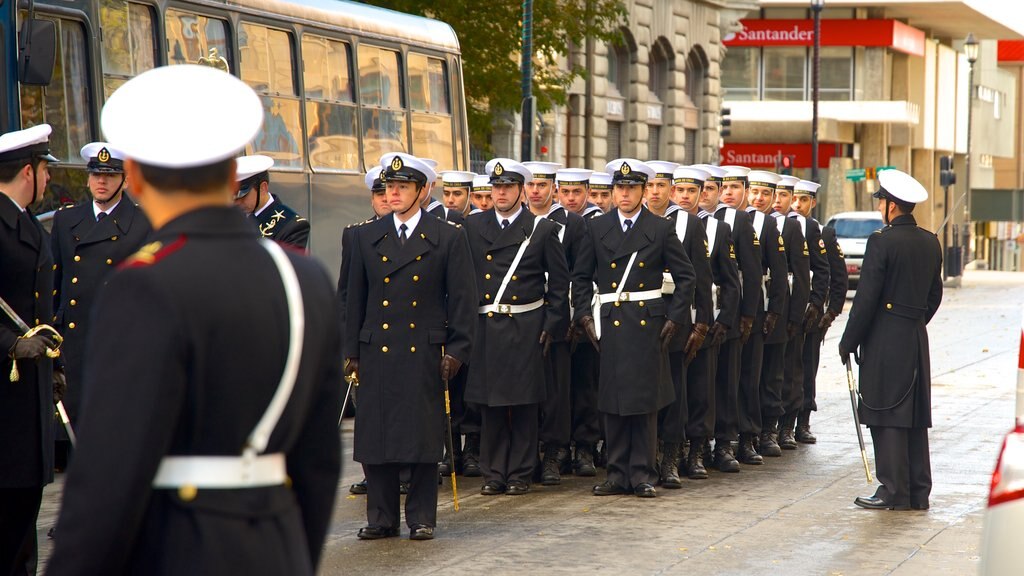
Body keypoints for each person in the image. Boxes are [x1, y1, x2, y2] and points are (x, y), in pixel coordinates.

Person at [46, 64, 343, 575]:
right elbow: (320, 464)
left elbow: (108, 479)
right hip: (277, 550)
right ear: (232, 176)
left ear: (133, 175)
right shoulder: (304, 277)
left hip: (173, 551)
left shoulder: (143, 284)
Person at [344, 152, 476, 540]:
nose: (394, 193)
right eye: (390, 187)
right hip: (377, 349)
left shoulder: (447, 236)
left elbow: (464, 301)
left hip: (424, 350)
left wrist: (457, 350)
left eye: (403, 187)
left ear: (422, 191)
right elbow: (354, 299)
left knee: (421, 438)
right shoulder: (365, 236)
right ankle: (381, 518)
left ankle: (421, 517)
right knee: (377, 437)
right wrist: (351, 351)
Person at [575, 158, 696, 499]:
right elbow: (581, 277)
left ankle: (643, 473)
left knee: (644, 401)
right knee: (612, 400)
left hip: (648, 325)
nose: (624, 194)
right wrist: (583, 315)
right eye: (619, 188)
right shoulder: (597, 228)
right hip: (610, 322)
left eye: (631, 188)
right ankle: (616, 473)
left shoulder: (659, 228)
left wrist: (674, 317)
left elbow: (686, 276)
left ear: (644, 192)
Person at [464, 158, 570, 496]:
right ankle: (493, 471)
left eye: (508, 187)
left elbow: (559, 282)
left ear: (520, 190)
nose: (500, 193)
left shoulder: (540, 229)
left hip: (526, 323)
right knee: (491, 403)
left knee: (524, 403)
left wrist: (552, 324)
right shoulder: (472, 227)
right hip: (488, 323)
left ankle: (521, 472)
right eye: (496, 187)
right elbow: (463, 280)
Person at [840, 169, 941, 511]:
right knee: (912, 415)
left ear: (892, 206)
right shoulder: (930, 241)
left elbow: (866, 298)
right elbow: (934, 296)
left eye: (881, 200)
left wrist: (848, 341)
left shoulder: (881, 241)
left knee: (886, 412)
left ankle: (892, 490)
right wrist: (912, 321)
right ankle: (916, 492)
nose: (880, 206)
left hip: (885, 337)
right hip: (914, 336)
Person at [50, 142, 152, 468]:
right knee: (74, 436)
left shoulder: (141, 223)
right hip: (74, 342)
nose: (101, 182)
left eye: (109, 175)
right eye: (95, 175)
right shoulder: (68, 221)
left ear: (124, 179)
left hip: (117, 341)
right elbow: (57, 280)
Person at [0, 123, 60, 576]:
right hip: (4, 401)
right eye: (45, 170)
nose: (49, 180)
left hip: (28, 397)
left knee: (23, 520)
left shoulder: (24, 223)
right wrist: (10, 344)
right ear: (28, 171)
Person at [523, 162, 590, 486]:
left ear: (553, 188)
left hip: (558, 313)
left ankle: (553, 453)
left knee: (556, 391)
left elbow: (580, 274)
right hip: (522, 317)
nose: (536, 190)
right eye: (531, 185)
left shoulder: (572, 224)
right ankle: (526, 454)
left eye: (542, 184)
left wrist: (572, 315)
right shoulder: (517, 221)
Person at [673, 166, 742, 476]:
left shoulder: (717, 229)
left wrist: (723, 321)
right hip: (672, 320)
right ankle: (673, 448)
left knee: (703, 389)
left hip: (705, 319)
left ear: (703, 195)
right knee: (675, 390)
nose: (686, 197)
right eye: (681, 191)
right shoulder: (664, 225)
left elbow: (729, 280)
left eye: (693, 192)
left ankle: (699, 450)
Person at [713, 165, 784, 463]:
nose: (729, 193)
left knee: (748, 379)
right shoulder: (711, 219)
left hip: (748, 310)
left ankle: (747, 437)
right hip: (718, 309)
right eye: (724, 188)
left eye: (735, 188)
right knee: (720, 380)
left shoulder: (758, 224)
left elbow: (763, 273)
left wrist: (761, 314)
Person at [340, 166, 392, 496]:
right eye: (379, 193)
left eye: (391, 192)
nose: (387, 199)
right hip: (369, 336)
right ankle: (371, 469)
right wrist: (348, 344)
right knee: (369, 411)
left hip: (404, 337)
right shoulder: (356, 234)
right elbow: (347, 293)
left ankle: (401, 469)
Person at [658, 166, 711, 484]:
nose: (654, 192)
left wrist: (701, 322)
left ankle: (670, 458)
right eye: (649, 186)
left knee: (676, 391)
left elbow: (700, 278)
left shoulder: (689, 225)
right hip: (640, 319)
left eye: (661, 186)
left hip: (677, 316)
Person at [791, 179, 847, 443]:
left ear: (813, 203)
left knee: (807, 365)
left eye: (804, 200)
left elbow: (838, 276)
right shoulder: (780, 228)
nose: (797, 205)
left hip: (812, 315)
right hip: (788, 312)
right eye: (794, 199)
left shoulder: (823, 233)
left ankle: (803, 420)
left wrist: (830, 312)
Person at [554, 168, 601, 476]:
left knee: (585, 384)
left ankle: (584, 446)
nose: (570, 199)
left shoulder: (594, 225)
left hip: (584, 313)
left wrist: (580, 313)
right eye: (565, 192)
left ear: (586, 192)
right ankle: (557, 447)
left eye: (576, 193)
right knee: (557, 387)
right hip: (555, 315)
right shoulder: (549, 224)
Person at [233, 154, 310, 249]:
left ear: (263, 188)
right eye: (233, 196)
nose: (237, 202)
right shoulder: (229, 218)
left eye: (242, 196)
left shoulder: (291, 225)